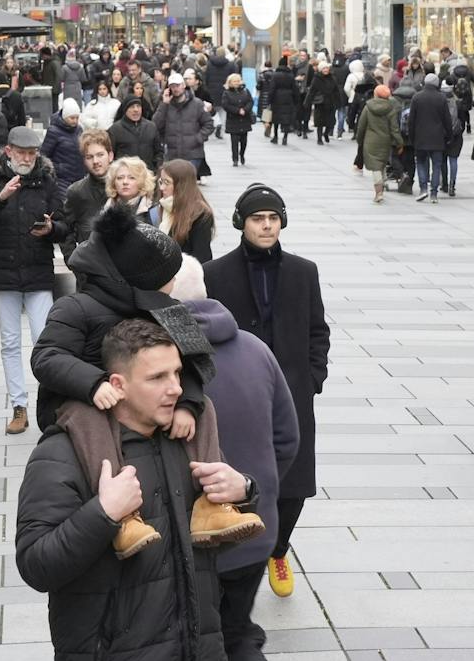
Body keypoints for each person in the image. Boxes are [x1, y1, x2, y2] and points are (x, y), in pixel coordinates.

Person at [30, 207, 261, 559]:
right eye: (167, 276)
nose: (172, 283)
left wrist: (187, 403)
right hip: (86, 401)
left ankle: (211, 504)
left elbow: (195, 359)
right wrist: (93, 383)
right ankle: (123, 516)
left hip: (146, 405)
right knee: (86, 416)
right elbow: (46, 357)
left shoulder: (164, 307)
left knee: (205, 408)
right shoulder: (77, 308)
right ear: (139, 278)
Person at [16, 320, 254, 661]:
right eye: (157, 378)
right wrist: (103, 514)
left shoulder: (186, 442)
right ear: (118, 385)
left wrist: (243, 490)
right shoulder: (62, 452)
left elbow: (211, 550)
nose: (175, 388)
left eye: (177, 373)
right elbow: (36, 565)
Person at [203, 184, 329, 598]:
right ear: (242, 223)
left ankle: (277, 548)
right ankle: (241, 545)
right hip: (239, 393)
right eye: (259, 218)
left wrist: (313, 377)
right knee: (242, 473)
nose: (267, 225)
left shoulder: (303, 271)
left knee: (294, 485)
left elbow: (318, 330)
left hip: (293, 393)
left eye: (273, 218)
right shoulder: (215, 273)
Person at [174, 262, 298, 660]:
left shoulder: (161, 363)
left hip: (195, 538)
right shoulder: (256, 348)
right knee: (238, 632)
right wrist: (254, 489)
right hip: (254, 529)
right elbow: (288, 438)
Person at [0, 126, 62, 436]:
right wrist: (1, 197)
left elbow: (64, 221)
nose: (26, 158)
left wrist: (52, 229)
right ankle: (19, 406)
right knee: (9, 343)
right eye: (21, 153)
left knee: (44, 339)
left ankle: (51, 404)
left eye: (31, 153)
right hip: (5, 272)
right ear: (8, 151)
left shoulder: (46, 180)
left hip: (38, 270)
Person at [55, 130, 112, 263]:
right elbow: (66, 231)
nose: (96, 161)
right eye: (89, 157)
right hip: (90, 271)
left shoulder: (124, 186)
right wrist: (74, 263)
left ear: (110, 155)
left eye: (100, 155)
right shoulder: (76, 192)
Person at [407, 73, 454, 204]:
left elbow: (411, 121)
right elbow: (447, 120)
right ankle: (434, 193)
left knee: (421, 163)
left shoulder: (417, 97)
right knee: (437, 165)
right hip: (437, 137)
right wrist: (449, 136)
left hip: (420, 137)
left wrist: (411, 137)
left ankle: (423, 189)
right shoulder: (441, 98)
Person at [156, 158, 215, 263]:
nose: (162, 188)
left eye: (167, 182)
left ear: (181, 185)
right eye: (161, 182)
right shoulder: (161, 206)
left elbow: (202, 257)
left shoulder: (200, 215)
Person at [156, 72, 215, 173]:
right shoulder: (165, 105)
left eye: (178, 85)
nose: (175, 89)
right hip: (172, 154)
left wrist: (198, 138)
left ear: (183, 85)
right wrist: (164, 104)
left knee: (187, 185)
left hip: (193, 154)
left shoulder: (197, 104)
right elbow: (156, 125)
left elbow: (209, 124)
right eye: (172, 86)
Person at [355, 84, 403, 204]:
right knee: (381, 164)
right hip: (385, 141)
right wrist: (399, 143)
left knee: (375, 167)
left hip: (370, 141)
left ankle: (379, 192)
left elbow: (361, 126)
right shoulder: (391, 109)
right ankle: (382, 185)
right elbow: (394, 128)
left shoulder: (368, 107)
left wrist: (359, 139)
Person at [41, 98, 86, 199]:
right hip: (62, 178)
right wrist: (57, 168)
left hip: (79, 176)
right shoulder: (53, 131)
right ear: (64, 117)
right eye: (72, 118)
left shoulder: (79, 129)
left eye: (77, 118)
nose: (75, 121)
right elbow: (44, 155)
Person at [107, 95, 160, 169]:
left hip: (148, 174)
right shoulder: (115, 130)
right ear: (125, 110)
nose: (136, 110)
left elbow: (159, 152)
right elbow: (110, 155)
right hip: (125, 175)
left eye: (138, 106)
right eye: (132, 107)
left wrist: (157, 168)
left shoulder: (151, 127)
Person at [222, 73, 255, 168]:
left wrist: (245, 109)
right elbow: (225, 105)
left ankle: (242, 154)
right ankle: (235, 158)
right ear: (230, 82)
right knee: (234, 141)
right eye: (234, 81)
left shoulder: (245, 91)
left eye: (238, 81)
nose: (236, 83)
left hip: (245, 119)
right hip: (233, 120)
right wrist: (237, 110)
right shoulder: (227, 93)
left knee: (244, 140)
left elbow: (250, 101)